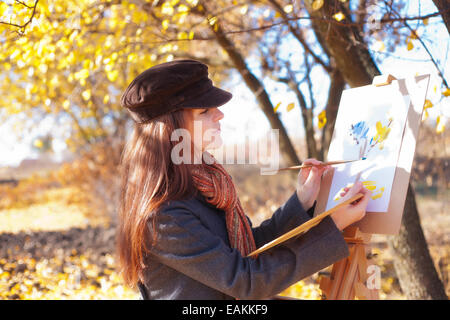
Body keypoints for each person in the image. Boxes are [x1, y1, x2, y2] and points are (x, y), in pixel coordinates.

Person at [116, 59, 372, 300]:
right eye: (204, 110)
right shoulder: (163, 215)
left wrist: (303, 200)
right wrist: (333, 225)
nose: (220, 115)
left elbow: (248, 250)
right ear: (170, 129)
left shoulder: (207, 184)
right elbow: (247, 280)